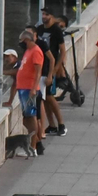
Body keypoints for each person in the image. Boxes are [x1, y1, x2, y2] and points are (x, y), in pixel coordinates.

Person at [15, 29, 47, 154]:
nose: (20, 43)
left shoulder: (36, 52)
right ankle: (36, 141)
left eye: (21, 40)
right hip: (23, 88)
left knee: (31, 117)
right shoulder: (28, 51)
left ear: (27, 40)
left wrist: (34, 88)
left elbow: (38, 71)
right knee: (26, 118)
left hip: (29, 89)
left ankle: (32, 147)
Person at [38, 8, 68, 137]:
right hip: (40, 68)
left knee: (49, 96)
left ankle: (61, 124)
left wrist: (55, 69)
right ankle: (52, 125)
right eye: (43, 14)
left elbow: (62, 51)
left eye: (47, 14)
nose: (44, 16)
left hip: (50, 68)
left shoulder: (56, 31)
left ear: (53, 17)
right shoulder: (39, 29)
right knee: (44, 99)